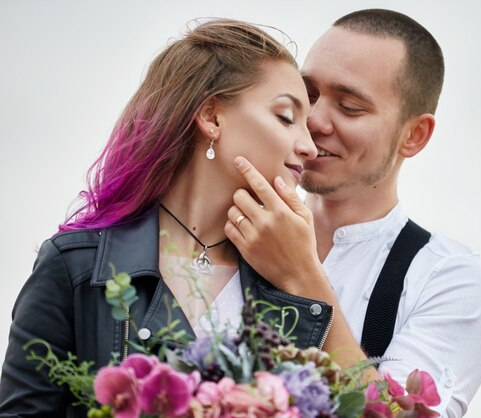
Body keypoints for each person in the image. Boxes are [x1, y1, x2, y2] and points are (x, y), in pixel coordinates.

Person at [0, 19, 340, 416]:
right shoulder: (76, 266)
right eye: (286, 116)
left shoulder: (289, 281)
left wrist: (307, 277)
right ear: (212, 117)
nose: (309, 147)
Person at [226, 9, 481, 418]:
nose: (314, 120)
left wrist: (301, 277)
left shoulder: (450, 281)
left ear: (414, 135)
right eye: (308, 95)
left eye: (350, 107)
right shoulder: (224, 225)